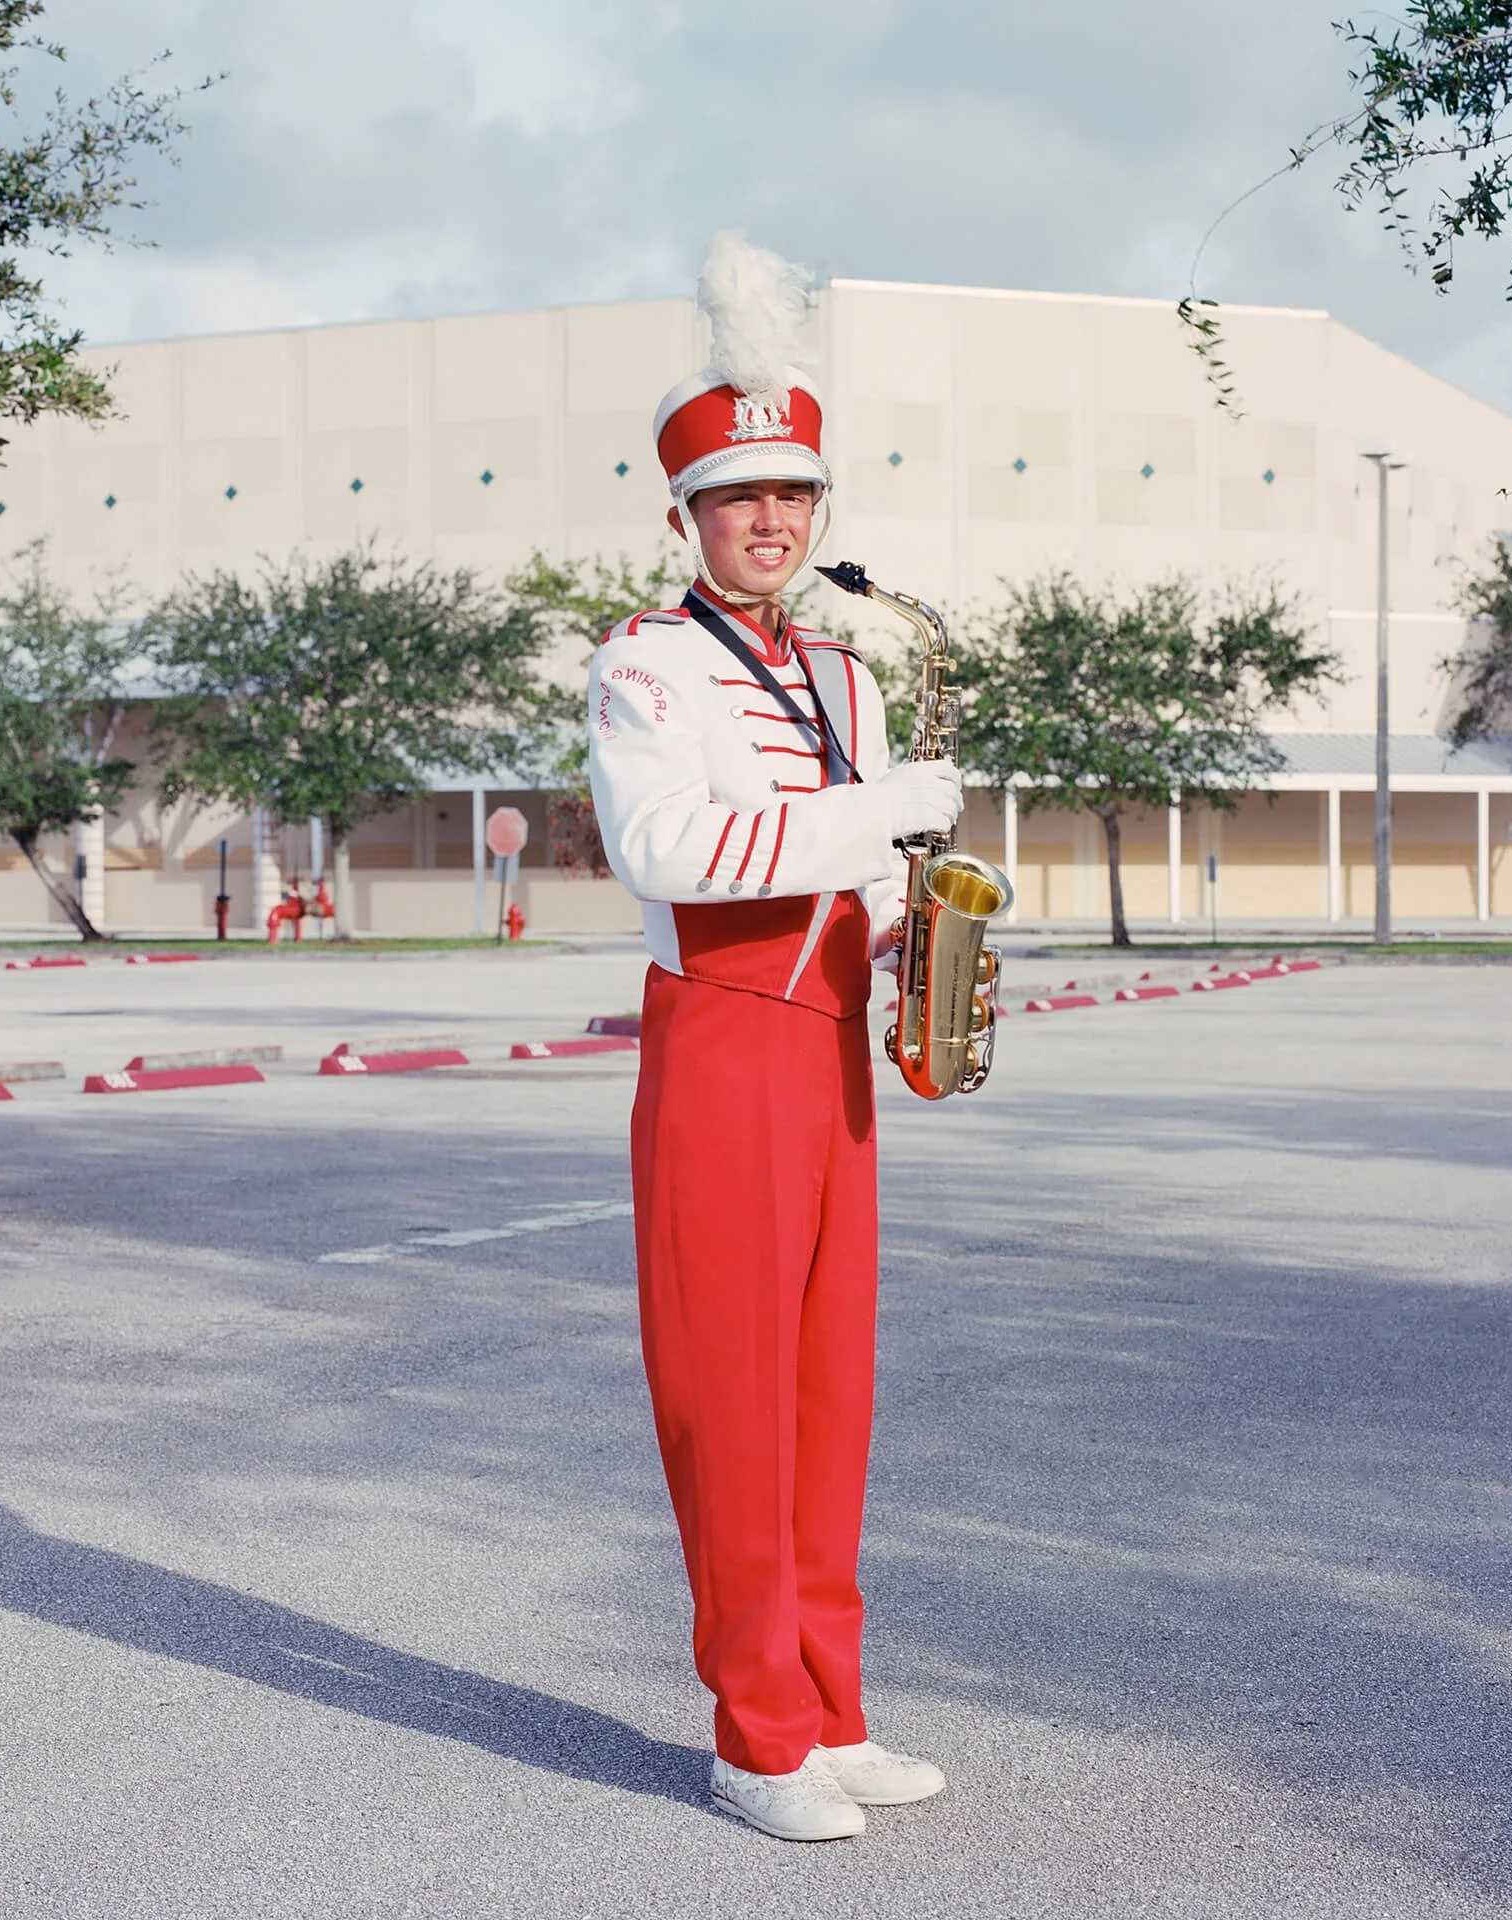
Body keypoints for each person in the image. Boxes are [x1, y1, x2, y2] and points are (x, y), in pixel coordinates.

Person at [588, 235, 962, 1843]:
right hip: (725, 1040)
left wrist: (912, 935)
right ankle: (755, 1734)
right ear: (687, 517)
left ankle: (832, 1708)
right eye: (742, 500)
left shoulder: (846, 670)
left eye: (794, 499)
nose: (772, 523)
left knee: (829, 1399)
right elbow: (665, 852)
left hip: (828, 1052)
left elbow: (867, 865)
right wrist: (872, 821)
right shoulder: (643, 666)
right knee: (733, 1399)